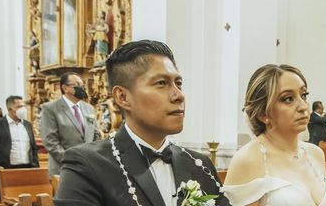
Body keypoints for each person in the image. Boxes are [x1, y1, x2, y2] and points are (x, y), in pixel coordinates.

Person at [54, 40, 228, 206]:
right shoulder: (86, 165)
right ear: (123, 97)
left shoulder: (200, 164)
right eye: (161, 83)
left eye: (179, 83)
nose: (179, 95)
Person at [223, 64, 326, 206]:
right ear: (263, 113)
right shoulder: (248, 159)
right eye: (288, 99)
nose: (303, 106)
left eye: (303, 95)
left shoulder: (315, 153)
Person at [40, 73, 100, 177]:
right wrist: (72, 160)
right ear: (65, 88)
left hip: (89, 168)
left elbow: (95, 135)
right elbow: (50, 141)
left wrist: (93, 157)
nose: (81, 88)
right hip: (64, 168)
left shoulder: (89, 108)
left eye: (82, 85)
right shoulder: (51, 108)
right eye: (77, 84)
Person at [0, 96, 39, 171]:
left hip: (28, 167)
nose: (23, 109)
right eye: (19, 106)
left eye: (23, 106)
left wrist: (35, 165)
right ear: (10, 109)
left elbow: (33, 147)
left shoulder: (27, 124)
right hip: (7, 167)